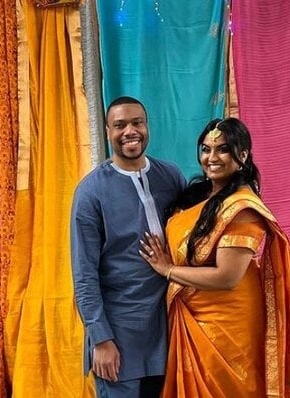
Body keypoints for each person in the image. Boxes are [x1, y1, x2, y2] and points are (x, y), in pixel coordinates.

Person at [140, 117, 290, 397]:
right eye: (206, 149)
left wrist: (166, 269)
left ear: (242, 155)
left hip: (227, 321)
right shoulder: (198, 194)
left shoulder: (242, 207)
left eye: (223, 149)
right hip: (191, 311)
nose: (211, 158)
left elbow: (226, 277)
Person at [70, 96, 186, 398]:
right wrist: (100, 339)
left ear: (147, 127)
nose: (130, 131)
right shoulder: (91, 192)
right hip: (119, 334)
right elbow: (84, 276)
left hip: (168, 327)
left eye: (137, 122)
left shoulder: (170, 177)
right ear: (108, 131)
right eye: (120, 125)